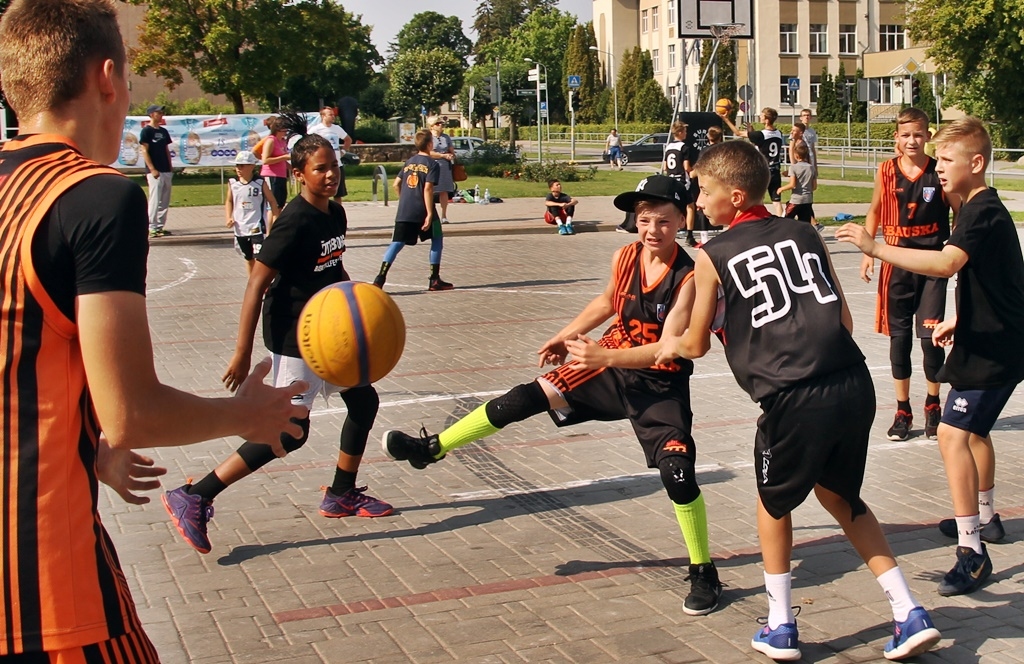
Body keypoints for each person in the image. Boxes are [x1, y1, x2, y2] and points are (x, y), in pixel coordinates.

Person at [0, 0, 308, 658]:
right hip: (40, 585)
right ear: (108, 78)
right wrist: (245, 416)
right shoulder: (96, 198)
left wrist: (87, 444)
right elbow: (134, 411)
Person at [382, 175, 725, 617]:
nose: (652, 229)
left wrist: (602, 357)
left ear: (682, 219)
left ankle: (704, 571)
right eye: (643, 220)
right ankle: (432, 448)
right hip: (606, 361)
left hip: (658, 380)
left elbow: (668, 345)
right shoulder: (625, 255)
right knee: (520, 399)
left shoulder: (690, 273)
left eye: (662, 220)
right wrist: (566, 336)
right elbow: (606, 302)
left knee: (678, 472)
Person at [657, 140, 941, 661]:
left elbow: (694, 344)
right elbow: (845, 320)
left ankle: (781, 623)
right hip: (852, 381)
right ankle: (907, 611)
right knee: (840, 497)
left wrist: (657, 347)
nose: (697, 198)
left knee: (773, 502)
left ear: (736, 197)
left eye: (705, 189)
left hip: (792, 394)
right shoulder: (805, 232)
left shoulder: (711, 255)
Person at [164, 113, 393, 555]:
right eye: (320, 168)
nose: (330, 175)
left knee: (364, 401)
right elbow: (256, 285)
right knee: (290, 432)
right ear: (298, 173)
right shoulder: (294, 221)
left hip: (329, 330)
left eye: (334, 166)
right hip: (294, 333)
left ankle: (341, 493)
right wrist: (241, 352)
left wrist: (358, 300)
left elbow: (333, 268)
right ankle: (195, 495)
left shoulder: (335, 215)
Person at [837, 117, 1024, 596]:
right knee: (974, 431)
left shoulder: (982, 210)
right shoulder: (974, 208)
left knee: (951, 433)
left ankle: (971, 552)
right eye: (937, 159)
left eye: (946, 159)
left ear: (976, 163)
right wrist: (960, 319)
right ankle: (987, 519)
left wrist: (877, 247)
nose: (938, 167)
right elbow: (996, 280)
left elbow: (946, 263)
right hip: (987, 337)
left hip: (997, 349)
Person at [860, 108, 958, 442]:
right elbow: (874, 210)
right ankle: (903, 409)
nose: (912, 140)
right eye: (905, 135)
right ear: (896, 138)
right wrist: (868, 251)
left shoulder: (939, 171)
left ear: (928, 135)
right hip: (896, 260)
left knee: (931, 340)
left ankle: (933, 402)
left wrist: (959, 252)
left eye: (918, 134)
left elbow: (959, 213)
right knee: (899, 341)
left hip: (931, 262)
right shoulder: (886, 170)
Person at [372, 129, 455, 292]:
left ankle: (379, 279)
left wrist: (404, 199)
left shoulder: (409, 162)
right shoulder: (432, 164)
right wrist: (430, 213)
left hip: (405, 209)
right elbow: (428, 189)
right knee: (437, 238)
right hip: (423, 208)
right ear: (430, 144)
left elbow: (396, 184)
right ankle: (434, 279)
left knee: (396, 243)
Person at [720, 107, 785, 216]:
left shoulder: (761, 134)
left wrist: (726, 119)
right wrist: (752, 131)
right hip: (775, 170)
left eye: (762, 115)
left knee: (759, 199)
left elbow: (738, 133)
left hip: (763, 171)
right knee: (777, 201)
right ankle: (781, 223)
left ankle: (761, 220)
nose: (760, 116)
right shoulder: (779, 133)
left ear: (767, 120)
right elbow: (763, 141)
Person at [226, 150, 280, 274]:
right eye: (237, 165)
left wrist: (276, 216)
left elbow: (272, 201)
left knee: (260, 259)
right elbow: (229, 201)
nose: (238, 169)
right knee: (248, 258)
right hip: (240, 228)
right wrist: (228, 217)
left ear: (251, 166)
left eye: (242, 165)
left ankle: (262, 285)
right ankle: (252, 283)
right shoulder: (233, 183)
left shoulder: (260, 183)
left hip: (256, 227)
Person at [140, 102, 174, 237]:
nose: (161, 115)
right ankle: (151, 227)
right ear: (151, 114)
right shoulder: (146, 131)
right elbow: (144, 150)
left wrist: (170, 166)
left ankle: (159, 226)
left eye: (162, 113)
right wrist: (152, 168)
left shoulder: (163, 131)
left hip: (166, 169)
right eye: (158, 112)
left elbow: (166, 149)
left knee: (165, 199)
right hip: (155, 171)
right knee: (155, 198)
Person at [662, 121, 697, 246]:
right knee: (690, 207)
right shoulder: (684, 147)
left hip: (671, 179)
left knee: (674, 207)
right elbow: (686, 166)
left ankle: (672, 232)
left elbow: (666, 167)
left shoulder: (669, 147)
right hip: (682, 179)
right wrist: (694, 172)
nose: (686, 134)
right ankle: (689, 235)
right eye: (685, 131)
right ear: (680, 132)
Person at [311, 106, 351, 202]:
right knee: (323, 191)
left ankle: (337, 215)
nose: (333, 117)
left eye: (333, 115)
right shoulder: (316, 129)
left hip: (337, 164)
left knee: (338, 193)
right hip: (323, 165)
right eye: (330, 115)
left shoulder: (337, 128)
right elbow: (307, 142)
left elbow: (348, 139)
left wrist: (343, 151)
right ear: (323, 116)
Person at [778, 141, 817, 225]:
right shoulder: (811, 168)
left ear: (796, 156)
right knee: (804, 223)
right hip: (807, 199)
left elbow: (792, 184)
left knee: (785, 220)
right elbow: (814, 187)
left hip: (796, 199)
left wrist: (781, 189)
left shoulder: (793, 167)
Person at [428, 115, 456, 224]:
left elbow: (452, 151)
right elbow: (428, 153)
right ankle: (430, 214)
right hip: (432, 166)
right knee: (430, 190)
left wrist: (451, 156)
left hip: (445, 167)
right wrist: (442, 155)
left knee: (444, 191)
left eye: (442, 124)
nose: (441, 126)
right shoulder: (428, 137)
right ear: (432, 126)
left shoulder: (446, 137)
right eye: (438, 124)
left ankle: (444, 215)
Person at [260, 115, 292, 209]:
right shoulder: (270, 140)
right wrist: (284, 157)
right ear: (278, 129)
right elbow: (265, 160)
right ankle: (271, 224)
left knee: (280, 204)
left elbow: (284, 160)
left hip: (281, 175)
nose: (286, 131)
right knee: (273, 205)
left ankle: (277, 223)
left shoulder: (282, 141)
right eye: (284, 129)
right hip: (271, 176)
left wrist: (293, 168)